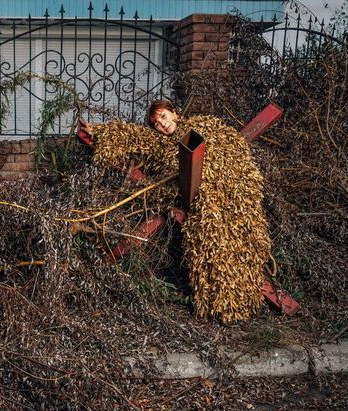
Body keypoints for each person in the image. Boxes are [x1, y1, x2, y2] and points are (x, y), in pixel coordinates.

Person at [79, 100, 271, 324]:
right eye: (156, 123)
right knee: (210, 243)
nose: (161, 124)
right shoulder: (161, 145)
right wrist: (99, 131)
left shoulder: (202, 124)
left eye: (163, 116)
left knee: (243, 240)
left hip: (232, 193)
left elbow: (231, 145)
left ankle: (242, 300)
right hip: (204, 203)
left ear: (174, 113)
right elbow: (133, 136)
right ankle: (223, 307)